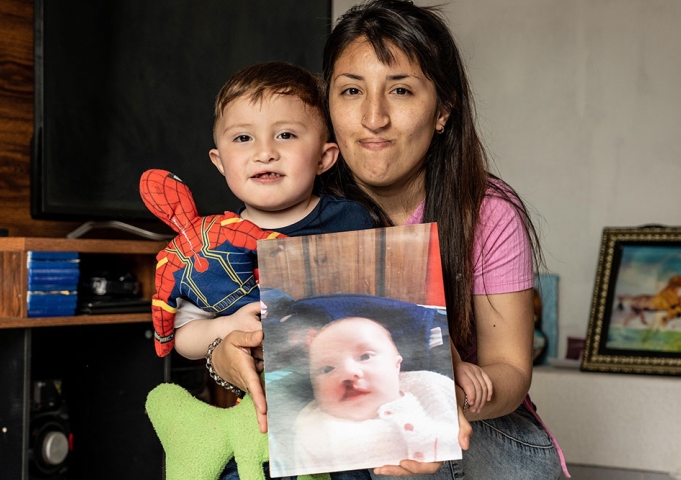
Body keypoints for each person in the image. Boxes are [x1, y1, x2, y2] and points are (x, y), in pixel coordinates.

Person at [200, 0, 571, 479]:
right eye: (352, 90)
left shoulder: (486, 212)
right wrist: (222, 356)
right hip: (334, 425)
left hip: (470, 423)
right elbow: (222, 331)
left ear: (442, 110)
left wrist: (440, 401)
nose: (373, 117)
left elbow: (511, 371)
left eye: (400, 90)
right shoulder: (287, 204)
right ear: (328, 106)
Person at [168, 61, 376, 364]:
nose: (264, 152)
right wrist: (226, 326)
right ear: (220, 162)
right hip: (261, 397)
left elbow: (400, 302)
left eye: (286, 135)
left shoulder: (353, 222)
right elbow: (184, 336)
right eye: (243, 138)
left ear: (324, 157)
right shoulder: (211, 244)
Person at [293, 317, 462, 475]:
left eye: (365, 357)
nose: (348, 373)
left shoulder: (426, 387)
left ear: (397, 366)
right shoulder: (315, 429)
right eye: (327, 369)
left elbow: (451, 421)